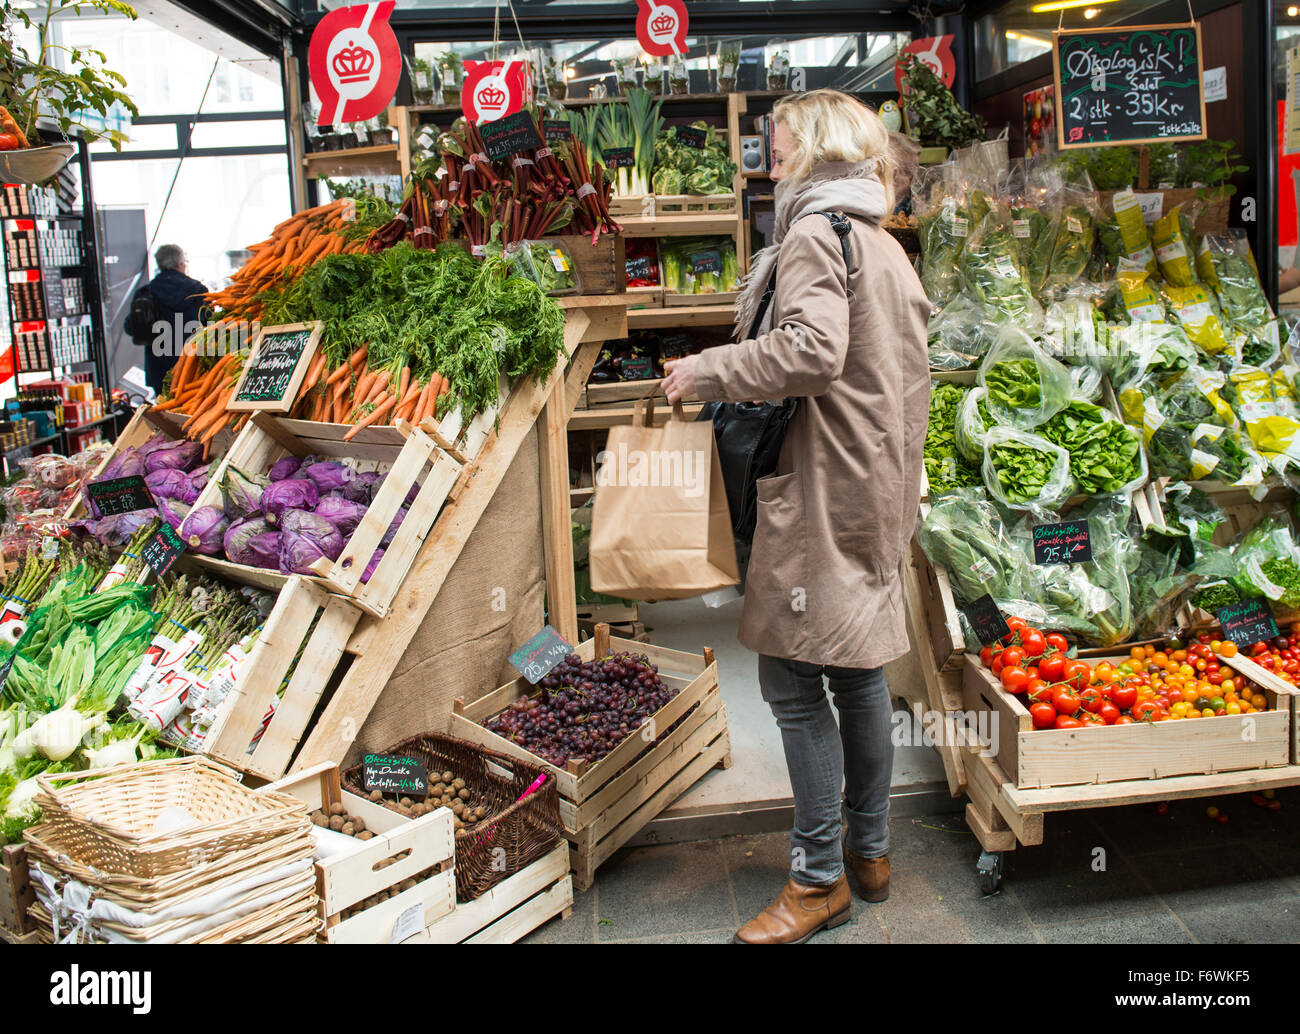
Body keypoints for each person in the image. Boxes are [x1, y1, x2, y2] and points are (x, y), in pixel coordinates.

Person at [661, 90, 930, 945]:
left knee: (789, 680)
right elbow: (908, 377)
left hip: (820, 487)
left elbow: (811, 353)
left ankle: (818, 882)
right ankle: (872, 852)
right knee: (855, 674)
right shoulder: (882, 243)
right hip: (872, 481)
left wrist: (707, 369)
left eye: (777, 142)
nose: (768, 156)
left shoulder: (817, 234)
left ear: (813, 146)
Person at [124, 244, 209, 393]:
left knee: (164, 412)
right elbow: (212, 324)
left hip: (159, 371)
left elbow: (131, 327)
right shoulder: (198, 291)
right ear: (181, 264)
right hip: (193, 368)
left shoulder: (145, 293)